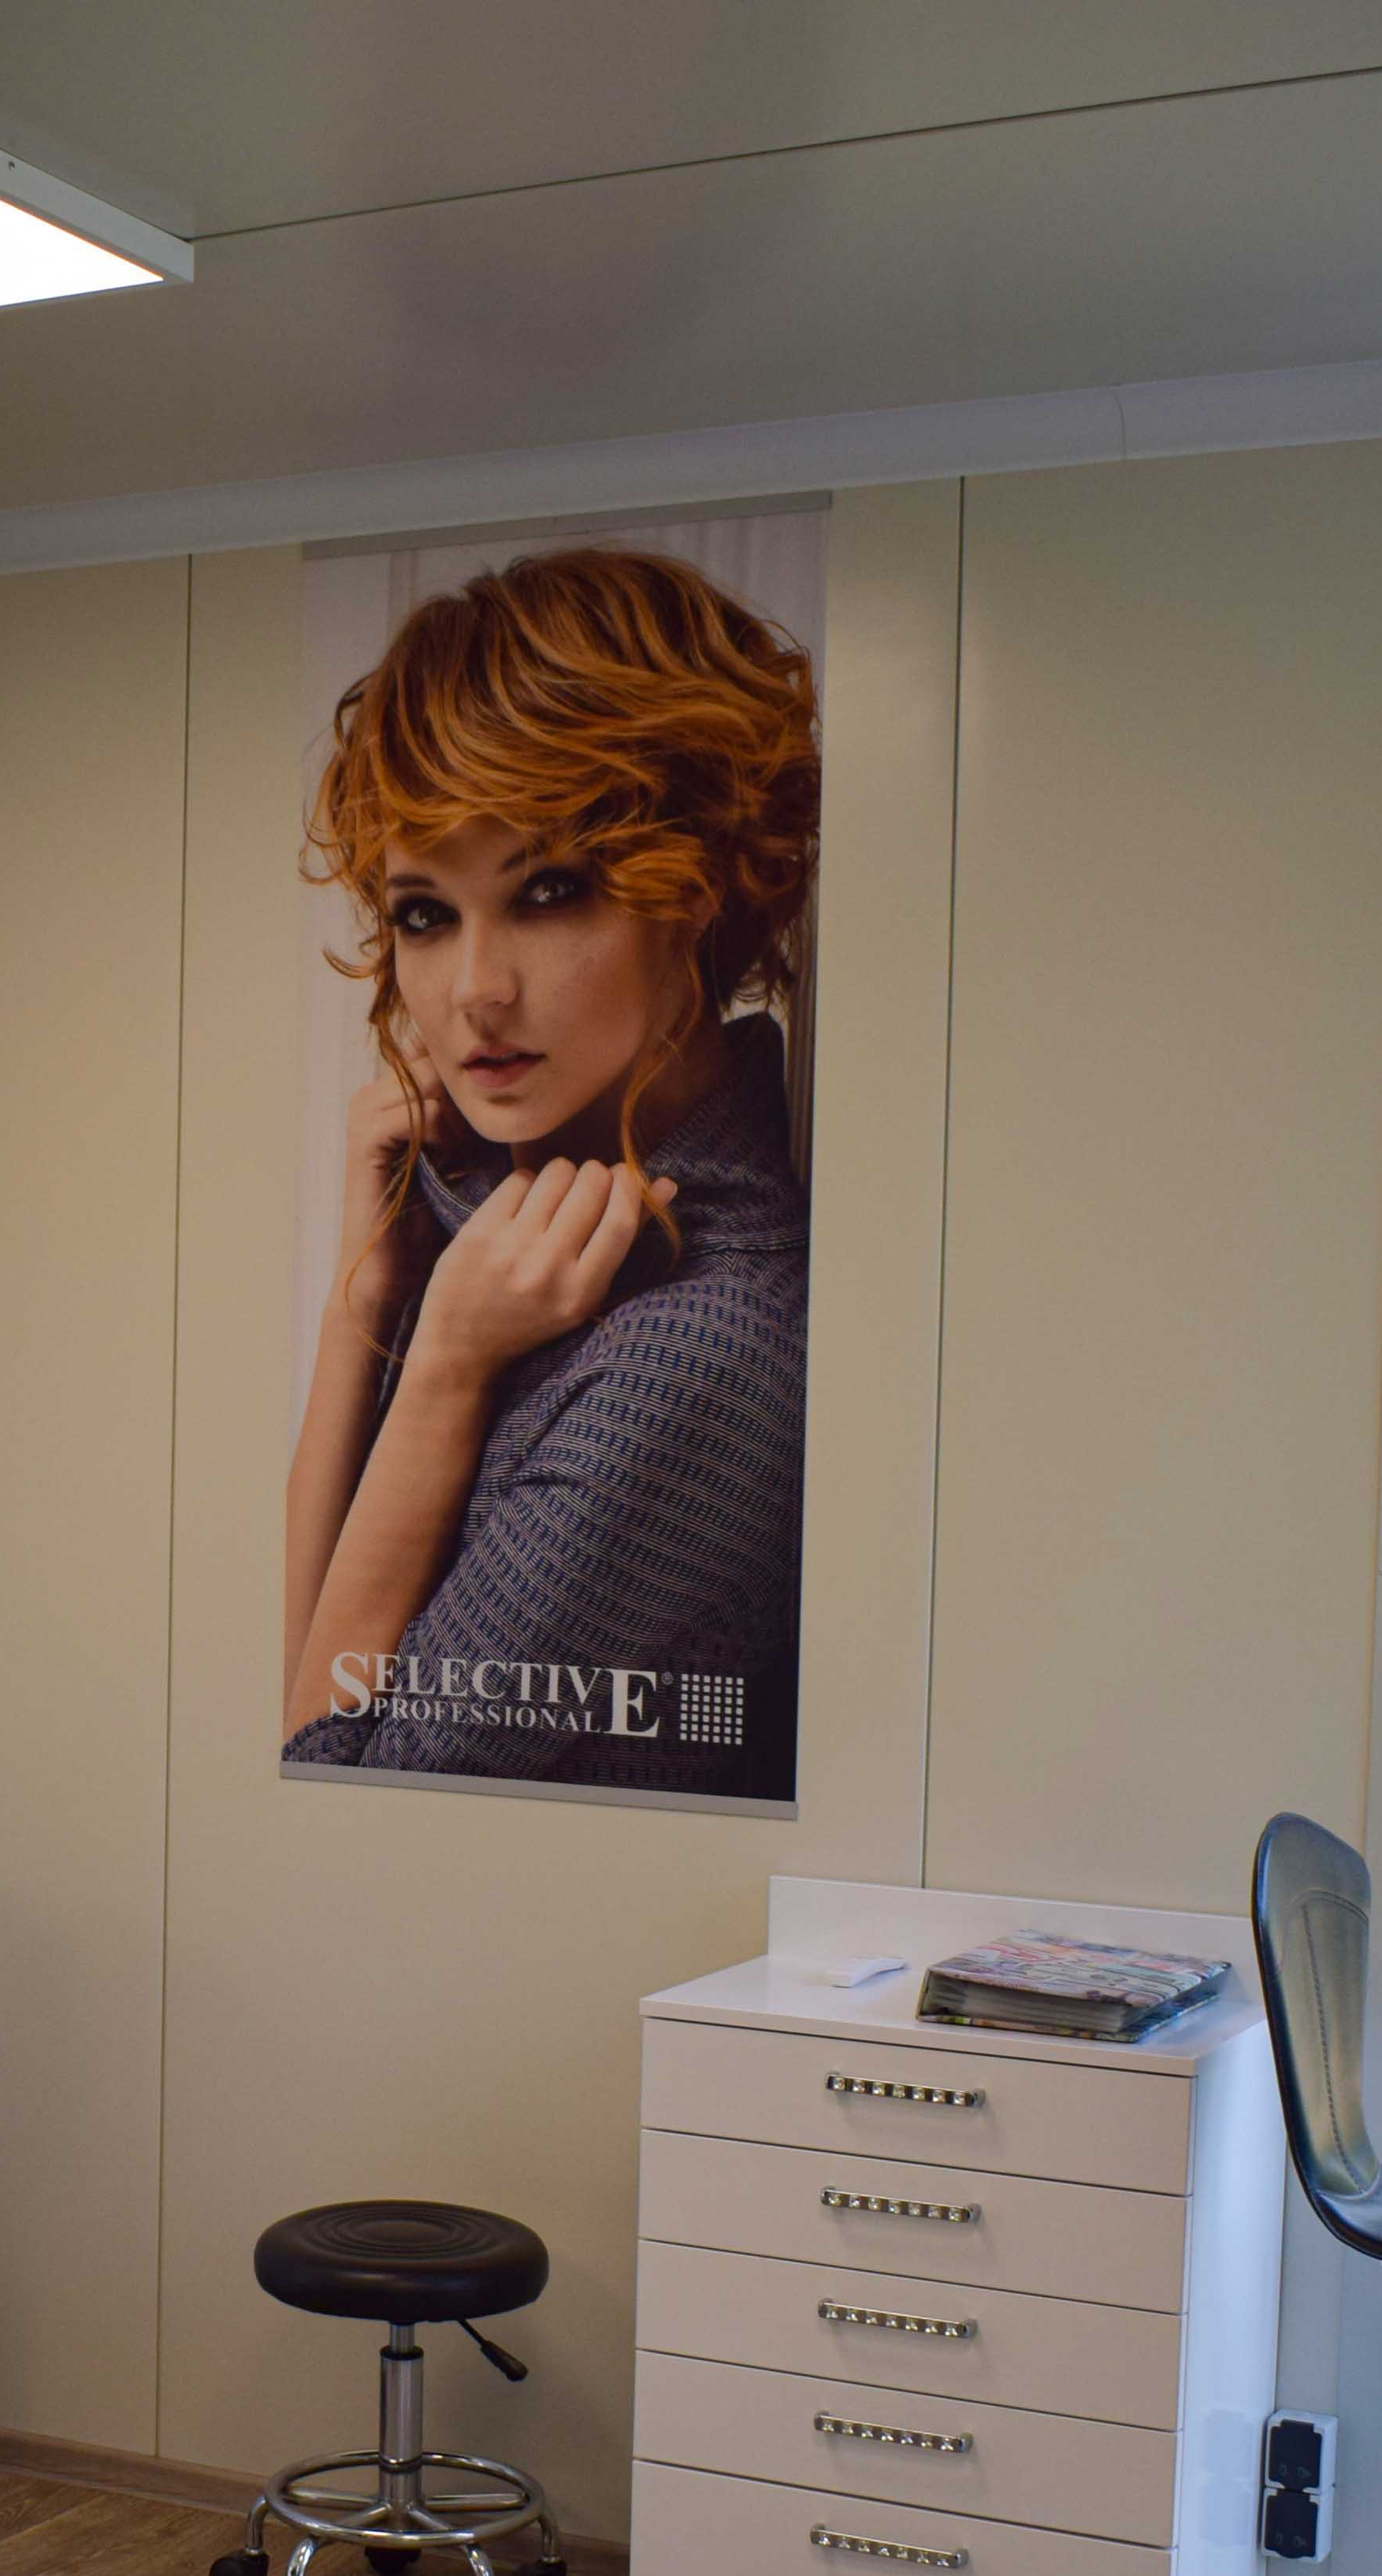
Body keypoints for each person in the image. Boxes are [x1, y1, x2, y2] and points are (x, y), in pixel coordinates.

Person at [280, 545, 817, 1802]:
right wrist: (368, 1296)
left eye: (549, 891)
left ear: (695, 888)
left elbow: (335, 1793)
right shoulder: (503, 1234)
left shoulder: (692, 1348)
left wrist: (446, 1369)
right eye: (425, 913)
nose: (476, 991)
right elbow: (299, 1679)